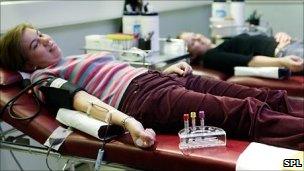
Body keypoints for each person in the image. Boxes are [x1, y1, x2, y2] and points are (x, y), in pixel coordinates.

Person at [0, 23, 303, 150]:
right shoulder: (44, 80)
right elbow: (81, 102)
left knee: (264, 96)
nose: (46, 39)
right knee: (243, 112)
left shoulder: (75, 58)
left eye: (40, 33)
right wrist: (130, 124)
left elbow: (122, 70)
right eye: (35, 44)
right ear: (27, 64)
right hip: (144, 100)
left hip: (160, 81)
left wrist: (164, 70)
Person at [179, 32, 304, 75]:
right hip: (286, 53)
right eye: (192, 42)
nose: (198, 38)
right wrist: (283, 61)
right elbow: (249, 61)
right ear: (192, 55)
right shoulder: (211, 57)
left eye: (195, 35)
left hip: (292, 44)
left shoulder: (221, 43)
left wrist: (280, 35)